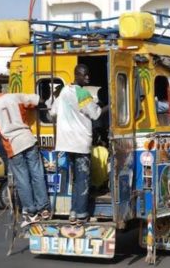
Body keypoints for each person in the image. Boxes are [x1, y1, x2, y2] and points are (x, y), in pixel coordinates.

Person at [0, 78, 50, 227]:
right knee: (37, 174)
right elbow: (38, 100)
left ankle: (31, 213)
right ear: (1, 87)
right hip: (28, 139)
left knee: (22, 180)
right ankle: (44, 209)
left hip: (13, 146)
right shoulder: (14, 97)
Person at [50, 64, 107, 225]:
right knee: (83, 179)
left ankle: (73, 212)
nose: (88, 77)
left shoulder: (64, 91)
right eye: (85, 75)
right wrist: (112, 106)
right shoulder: (83, 93)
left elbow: (53, 112)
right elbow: (96, 114)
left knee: (74, 179)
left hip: (65, 143)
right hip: (80, 143)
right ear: (77, 75)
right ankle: (81, 214)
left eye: (88, 74)